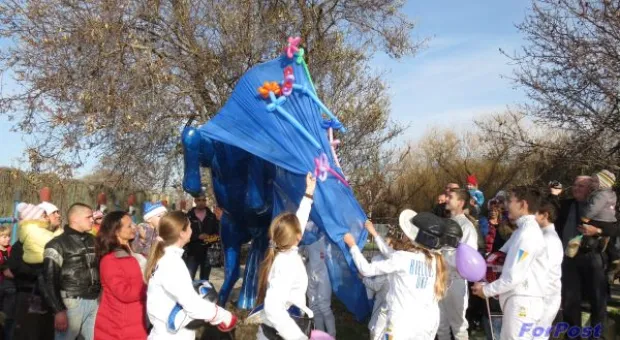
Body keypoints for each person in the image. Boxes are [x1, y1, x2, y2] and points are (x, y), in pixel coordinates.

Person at [344, 211, 448, 339]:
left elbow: (366, 270)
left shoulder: (403, 258)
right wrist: (375, 234)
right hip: (428, 322)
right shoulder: (435, 259)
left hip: (402, 323)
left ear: (411, 237)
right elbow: (390, 253)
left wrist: (352, 245)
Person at [145, 211, 237, 339]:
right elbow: (192, 305)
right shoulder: (172, 262)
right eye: (189, 227)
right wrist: (223, 316)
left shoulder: (167, 258)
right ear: (182, 233)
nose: (191, 229)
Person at [472, 186, 546, 340]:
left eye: (510, 201)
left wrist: (486, 290)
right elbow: (498, 257)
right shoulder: (520, 232)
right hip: (516, 301)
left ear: (523, 204)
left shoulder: (528, 234)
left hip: (523, 304)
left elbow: (513, 277)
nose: (506, 205)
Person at [255, 173, 316, 340]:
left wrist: (309, 193)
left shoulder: (284, 250)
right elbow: (273, 308)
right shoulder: (287, 263)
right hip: (279, 334)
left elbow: (298, 223)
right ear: (297, 237)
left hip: (281, 330)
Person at [557, 176, 608, 335]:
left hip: (592, 257)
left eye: (581, 186)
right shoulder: (565, 204)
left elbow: (615, 228)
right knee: (570, 302)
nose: (576, 188)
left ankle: (596, 335)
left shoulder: (600, 207)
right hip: (568, 258)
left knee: (597, 301)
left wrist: (598, 231)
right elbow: (547, 213)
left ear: (591, 189)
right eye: (574, 185)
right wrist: (553, 195)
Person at [42, 203, 101, 340]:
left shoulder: (94, 241)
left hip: (95, 301)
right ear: (75, 218)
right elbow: (49, 279)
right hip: (70, 303)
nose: (92, 219)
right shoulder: (56, 244)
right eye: (89, 217)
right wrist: (58, 310)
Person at [94, 211, 148, 339]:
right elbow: (124, 293)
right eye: (129, 226)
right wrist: (150, 287)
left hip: (135, 319)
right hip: (119, 325)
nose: (134, 228)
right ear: (116, 231)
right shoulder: (110, 260)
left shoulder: (131, 252)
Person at [437, 188, 479, 340]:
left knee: (459, 326)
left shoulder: (466, 227)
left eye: (450, 197)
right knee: (441, 325)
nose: (446, 199)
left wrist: (441, 258)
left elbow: (468, 259)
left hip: (456, 280)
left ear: (461, 203)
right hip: (440, 279)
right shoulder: (447, 223)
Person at [299, 225, 336, 337]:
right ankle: (320, 336)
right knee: (314, 307)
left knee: (324, 306)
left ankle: (331, 335)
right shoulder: (304, 230)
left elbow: (330, 253)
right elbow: (301, 252)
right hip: (310, 273)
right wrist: (302, 256)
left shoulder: (323, 230)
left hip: (323, 273)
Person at [535, 200, 563, 340]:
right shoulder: (541, 236)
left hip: (546, 296)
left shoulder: (549, 239)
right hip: (540, 295)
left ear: (544, 215)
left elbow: (545, 271)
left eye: (534, 213)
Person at [185, 194, 219, 280]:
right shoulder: (189, 216)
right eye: (199, 200)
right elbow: (183, 234)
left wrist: (209, 238)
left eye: (204, 200)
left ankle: (203, 293)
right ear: (195, 201)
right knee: (188, 278)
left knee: (204, 279)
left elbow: (218, 235)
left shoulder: (212, 216)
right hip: (192, 252)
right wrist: (198, 236)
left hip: (208, 253)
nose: (201, 202)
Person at [0, 225, 16, 339]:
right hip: (2, 285)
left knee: (8, 316)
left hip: (10, 287)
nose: (7, 239)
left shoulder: (13, 251)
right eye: (3, 236)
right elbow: (5, 270)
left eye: (8, 236)